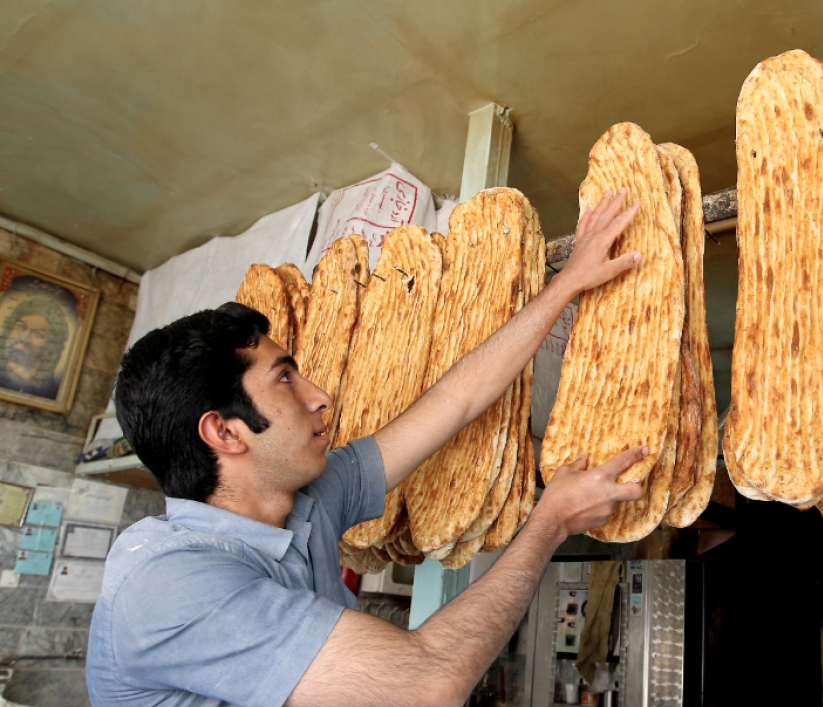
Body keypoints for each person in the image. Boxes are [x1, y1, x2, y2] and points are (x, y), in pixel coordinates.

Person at [86, 191, 645, 707]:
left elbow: (455, 400)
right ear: (226, 433)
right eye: (285, 380)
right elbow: (427, 684)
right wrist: (551, 521)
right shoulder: (169, 587)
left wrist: (567, 282)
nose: (321, 397)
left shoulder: (306, 501)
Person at [0, 294, 70, 398]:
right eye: (20, 327)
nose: (24, 339)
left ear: (50, 349)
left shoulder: (48, 392)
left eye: (39, 335)